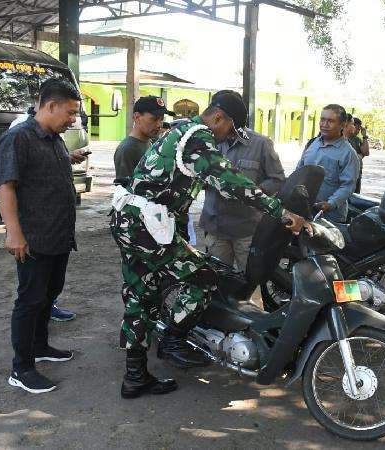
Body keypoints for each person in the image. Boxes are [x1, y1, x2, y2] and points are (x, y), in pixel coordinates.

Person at [109, 90, 306, 399]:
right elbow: (232, 182)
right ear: (218, 117)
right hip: (145, 228)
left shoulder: (179, 130)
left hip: (132, 222)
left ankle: (135, 377)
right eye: (231, 128)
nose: (230, 136)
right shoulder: (198, 137)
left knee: (141, 296)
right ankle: (173, 340)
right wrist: (282, 213)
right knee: (205, 277)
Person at [0, 79, 89, 394]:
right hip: (34, 238)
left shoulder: (54, 138)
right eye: (70, 112)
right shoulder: (18, 137)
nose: (73, 119)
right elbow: (6, 187)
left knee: (49, 295)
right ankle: (21, 368)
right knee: (30, 301)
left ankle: (40, 346)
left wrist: (70, 157)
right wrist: (14, 233)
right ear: (50, 106)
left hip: (58, 236)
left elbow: (43, 169)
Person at [199, 128, 285, 272]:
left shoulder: (261, 143)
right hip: (216, 227)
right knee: (218, 278)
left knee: (249, 278)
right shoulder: (209, 141)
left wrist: (252, 192)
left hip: (246, 230)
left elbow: (278, 179)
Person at [296, 104, 360, 223]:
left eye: (330, 121)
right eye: (322, 120)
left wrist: (331, 203)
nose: (324, 124)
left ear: (342, 125)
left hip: (330, 218)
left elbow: (348, 186)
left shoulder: (348, 153)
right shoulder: (313, 144)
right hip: (304, 211)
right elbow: (299, 171)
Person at [114, 96, 175, 181]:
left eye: (161, 119)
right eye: (154, 119)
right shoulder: (127, 150)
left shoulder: (150, 142)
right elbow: (125, 187)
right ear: (137, 117)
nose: (159, 125)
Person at [345, 116, 370, 194]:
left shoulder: (357, 140)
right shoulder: (341, 139)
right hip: (347, 173)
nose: (358, 131)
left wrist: (364, 136)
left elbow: (366, 152)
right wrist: (357, 156)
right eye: (356, 128)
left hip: (357, 171)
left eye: (359, 129)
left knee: (356, 194)